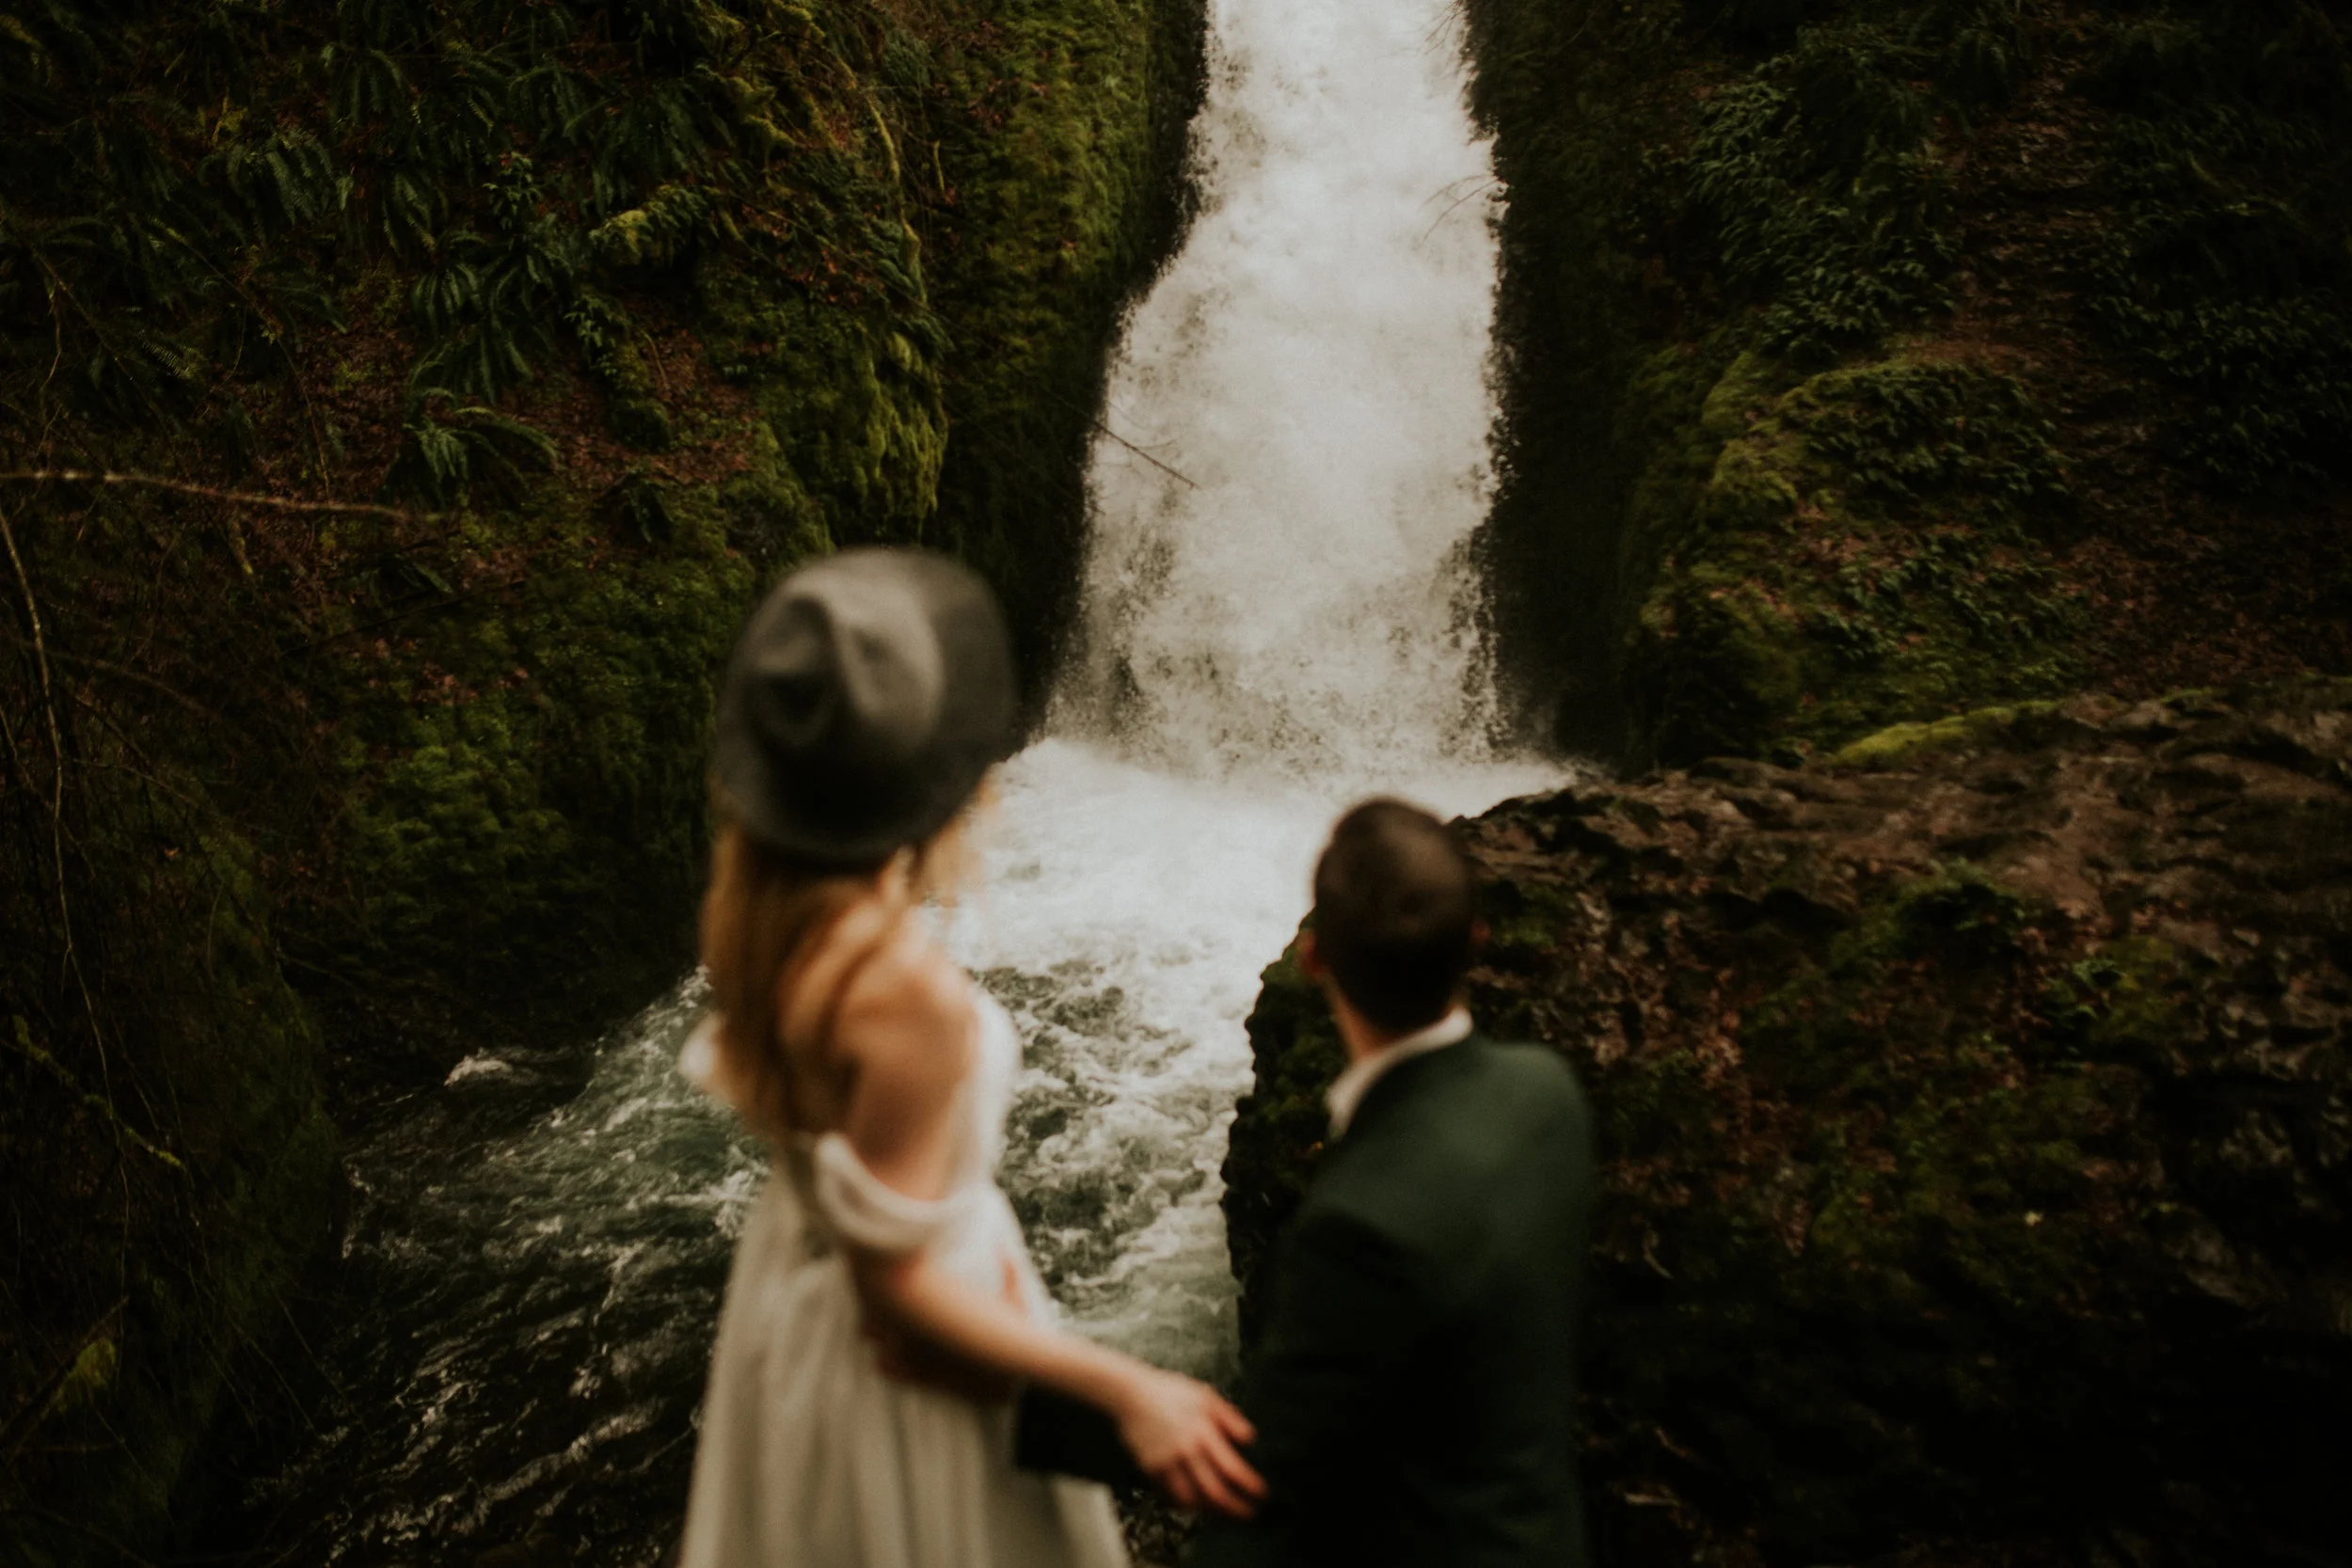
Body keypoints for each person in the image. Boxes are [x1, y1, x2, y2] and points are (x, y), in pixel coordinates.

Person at [675, 548, 1264, 1568]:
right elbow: (896, 1291)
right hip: (898, 1367)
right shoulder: (904, 990)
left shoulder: (762, 925)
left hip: (789, 1307)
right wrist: (1128, 1387)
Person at [1188, 800, 1597, 1568]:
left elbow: (1264, 1499)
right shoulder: (1551, 1098)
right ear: (1476, 938)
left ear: (1314, 960)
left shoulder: (1354, 1226)